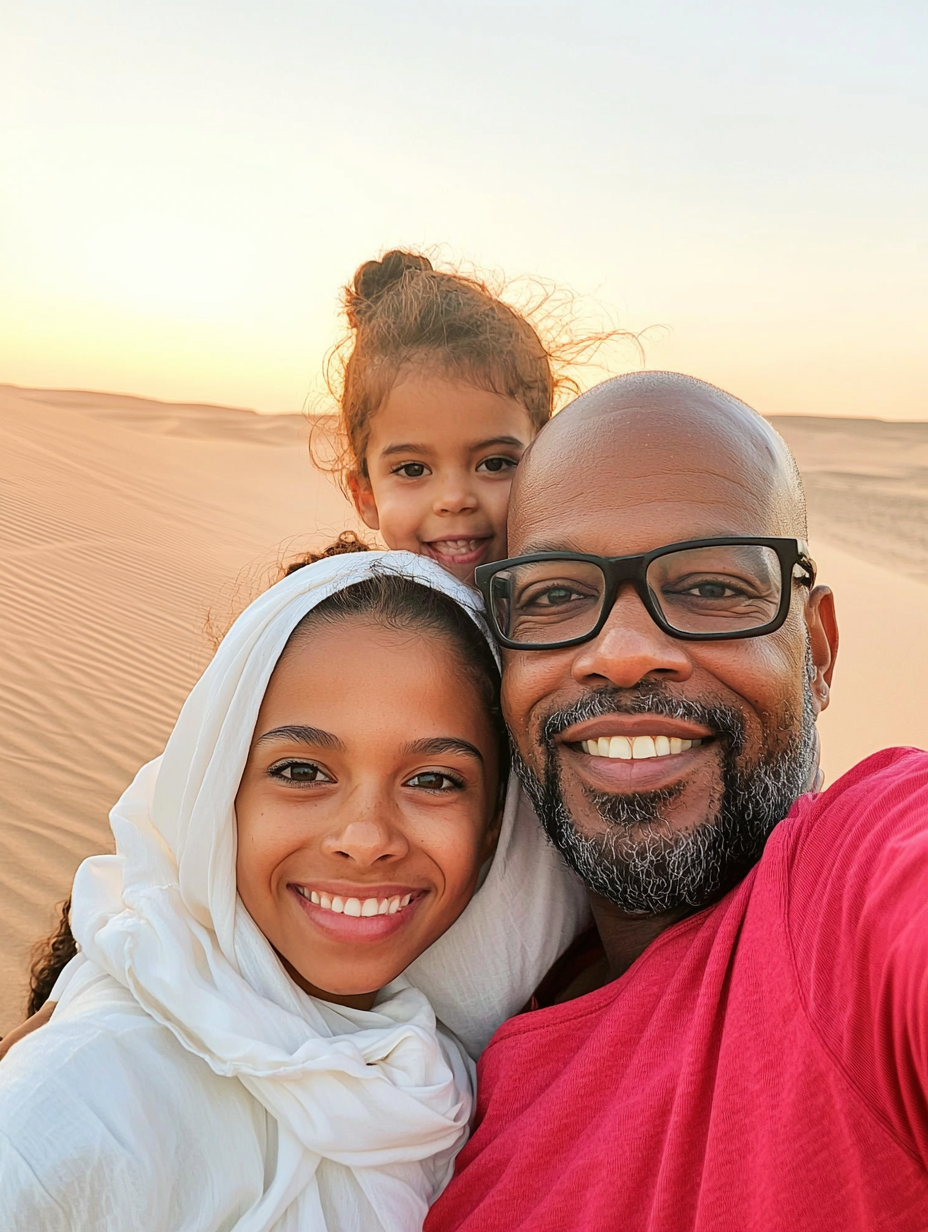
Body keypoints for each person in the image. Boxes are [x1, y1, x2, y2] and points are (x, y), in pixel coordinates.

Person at [426, 371, 928, 1232]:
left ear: (817, 650)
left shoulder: (857, 885)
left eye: (710, 589)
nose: (620, 654)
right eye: (555, 595)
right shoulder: (431, 1089)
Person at [0, 551, 587, 1231]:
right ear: (220, 794)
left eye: (433, 780)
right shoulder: (85, 1093)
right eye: (303, 770)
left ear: (494, 830)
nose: (366, 838)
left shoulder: (444, 1084)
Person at [318, 248, 619, 585]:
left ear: (549, 467)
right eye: (413, 469)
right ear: (367, 497)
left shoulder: (590, 601)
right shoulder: (360, 628)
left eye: (495, 464)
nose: (455, 500)